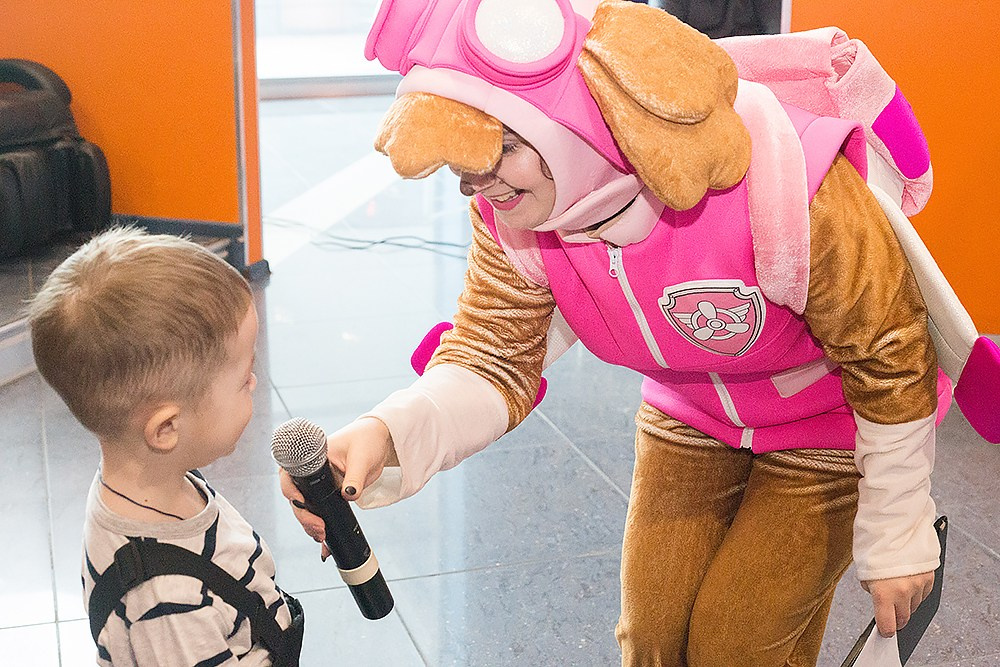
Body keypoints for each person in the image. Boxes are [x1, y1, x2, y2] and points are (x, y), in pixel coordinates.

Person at [283, 2, 945, 665]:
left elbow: (889, 346)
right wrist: (384, 435)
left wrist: (899, 528)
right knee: (651, 644)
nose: (476, 184)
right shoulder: (514, 216)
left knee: (735, 647)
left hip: (826, 420)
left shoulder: (784, 179)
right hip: (690, 413)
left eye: (504, 148)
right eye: (465, 162)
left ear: (569, 120)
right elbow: (493, 358)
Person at [29, 227, 302, 666]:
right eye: (242, 379)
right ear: (166, 429)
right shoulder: (166, 601)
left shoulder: (156, 481)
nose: (254, 382)